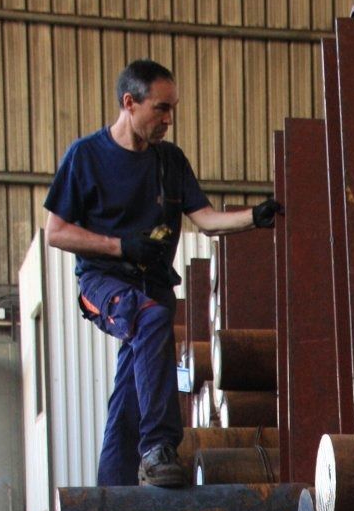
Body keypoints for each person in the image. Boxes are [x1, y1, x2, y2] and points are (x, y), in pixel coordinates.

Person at [44, 58, 282, 488]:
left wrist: (255, 216)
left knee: (131, 389)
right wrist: (119, 246)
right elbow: (56, 233)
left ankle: (112, 495)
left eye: (173, 109)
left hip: (152, 283)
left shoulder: (170, 162)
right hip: (103, 284)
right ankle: (157, 448)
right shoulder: (86, 157)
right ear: (129, 103)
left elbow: (206, 219)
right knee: (150, 318)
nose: (169, 120)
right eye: (161, 109)